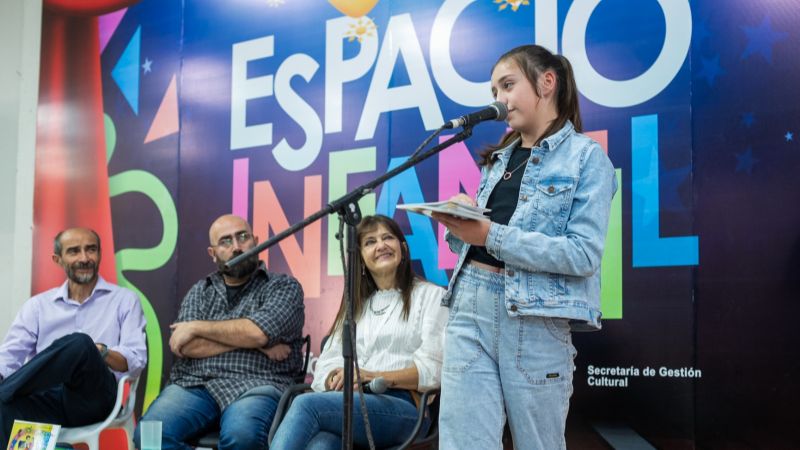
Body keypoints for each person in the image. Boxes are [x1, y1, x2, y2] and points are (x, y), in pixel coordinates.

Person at [432, 45, 617, 449]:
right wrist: (459, 222)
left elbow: (583, 254)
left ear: (547, 83)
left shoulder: (587, 160)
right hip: (469, 308)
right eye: (494, 90)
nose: (499, 99)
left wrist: (490, 235)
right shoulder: (499, 158)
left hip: (534, 320)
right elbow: (479, 237)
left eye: (508, 85)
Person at [271, 215, 447, 449]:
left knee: (306, 405)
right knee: (323, 445)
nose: (381, 245)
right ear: (361, 259)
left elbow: (434, 371)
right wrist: (337, 378)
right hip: (351, 402)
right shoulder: (355, 307)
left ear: (402, 249)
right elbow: (326, 365)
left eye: (387, 238)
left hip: (405, 408)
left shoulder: (431, 296)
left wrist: (369, 375)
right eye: (370, 242)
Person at [134, 214, 304, 450]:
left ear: (256, 241)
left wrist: (196, 327)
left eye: (243, 237)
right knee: (149, 437)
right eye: (225, 241)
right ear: (212, 253)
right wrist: (256, 343)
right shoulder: (200, 291)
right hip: (195, 384)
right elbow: (184, 346)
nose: (236, 247)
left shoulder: (283, 286)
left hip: (257, 383)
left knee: (243, 437)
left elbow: (258, 332)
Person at [0, 227, 147, 444]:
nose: (84, 258)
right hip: (49, 401)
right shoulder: (38, 306)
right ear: (57, 259)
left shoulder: (125, 300)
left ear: (100, 254)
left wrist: (102, 352)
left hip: (95, 400)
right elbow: (8, 356)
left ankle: (5, 391)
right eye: (74, 251)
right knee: (4, 406)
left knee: (81, 344)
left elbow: (135, 361)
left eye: (91, 250)